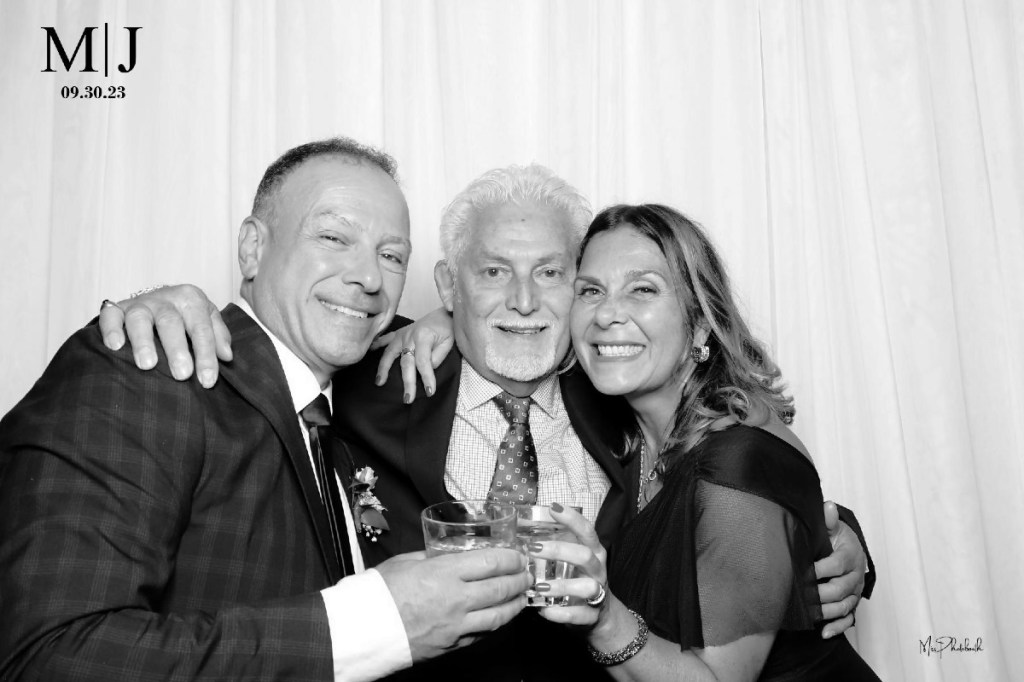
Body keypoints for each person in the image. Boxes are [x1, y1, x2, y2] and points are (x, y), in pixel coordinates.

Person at [95, 166, 873, 679]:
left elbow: (733, 491)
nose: (525, 301)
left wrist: (837, 543)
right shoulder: (371, 379)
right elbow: (284, 331)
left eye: (552, 275)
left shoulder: (617, 391)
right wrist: (164, 307)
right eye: (494, 272)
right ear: (447, 285)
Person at [0, 137, 531, 682]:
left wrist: (448, 317)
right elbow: (46, 657)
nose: (370, 279)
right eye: (334, 237)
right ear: (253, 248)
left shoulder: (354, 391)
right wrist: (377, 624)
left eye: (392, 257)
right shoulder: (145, 371)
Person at [525, 204, 881, 680]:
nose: (607, 313)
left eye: (643, 289)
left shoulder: (738, 459)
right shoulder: (623, 428)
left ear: (700, 323)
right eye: (591, 290)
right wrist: (441, 323)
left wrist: (604, 618)